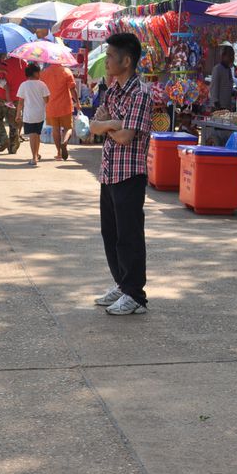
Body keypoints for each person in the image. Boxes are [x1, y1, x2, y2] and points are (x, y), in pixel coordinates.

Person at [90, 32, 153, 315]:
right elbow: (94, 127)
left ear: (126, 61)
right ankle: (122, 283)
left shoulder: (140, 94)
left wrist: (109, 124)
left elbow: (126, 136)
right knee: (110, 233)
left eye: (111, 56)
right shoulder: (112, 91)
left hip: (129, 174)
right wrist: (110, 124)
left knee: (129, 235)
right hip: (108, 172)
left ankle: (135, 295)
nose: (106, 61)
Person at [41, 60, 79, 161]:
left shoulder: (44, 72)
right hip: (65, 105)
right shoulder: (67, 71)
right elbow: (72, 89)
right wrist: (78, 102)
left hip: (51, 105)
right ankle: (65, 141)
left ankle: (58, 153)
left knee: (55, 129)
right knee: (68, 128)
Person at [15, 63, 51, 166]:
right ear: (35, 73)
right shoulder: (42, 84)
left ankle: (34, 157)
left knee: (32, 136)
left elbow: (20, 102)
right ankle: (36, 154)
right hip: (40, 114)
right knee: (37, 135)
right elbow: (46, 100)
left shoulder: (23, 85)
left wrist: (18, 114)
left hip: (29, 114)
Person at [0, 53, 21, 154]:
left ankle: (3, 140)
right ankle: (13, 147)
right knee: (13, 123)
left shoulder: (3, 64)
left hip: (1, 98)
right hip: (17, 98)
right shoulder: (24, 64)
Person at [210, 45, 235, 111]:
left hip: (226, 106)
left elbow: (226, 86)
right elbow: (214, 88)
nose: (232, 58)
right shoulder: (217, 69)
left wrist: (234, 92)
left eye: (233, 55)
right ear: (223, 56)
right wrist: (216, 103)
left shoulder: (228, 69)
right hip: (218, 106)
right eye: (229, 55)